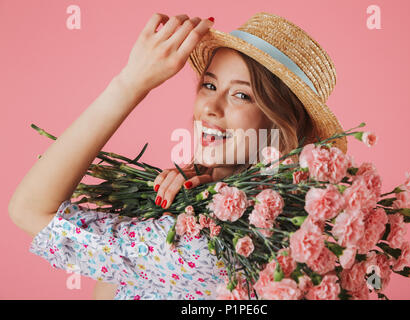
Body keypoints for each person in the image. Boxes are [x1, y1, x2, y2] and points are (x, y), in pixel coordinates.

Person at [8, 12, 347, 300]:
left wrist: (131, 83)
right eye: (209, 85)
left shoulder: (213, 243)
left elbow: (30, 209)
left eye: (242, 95)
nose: (210, 108)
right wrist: (192, 197)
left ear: (281, 125)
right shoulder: (216, 214)